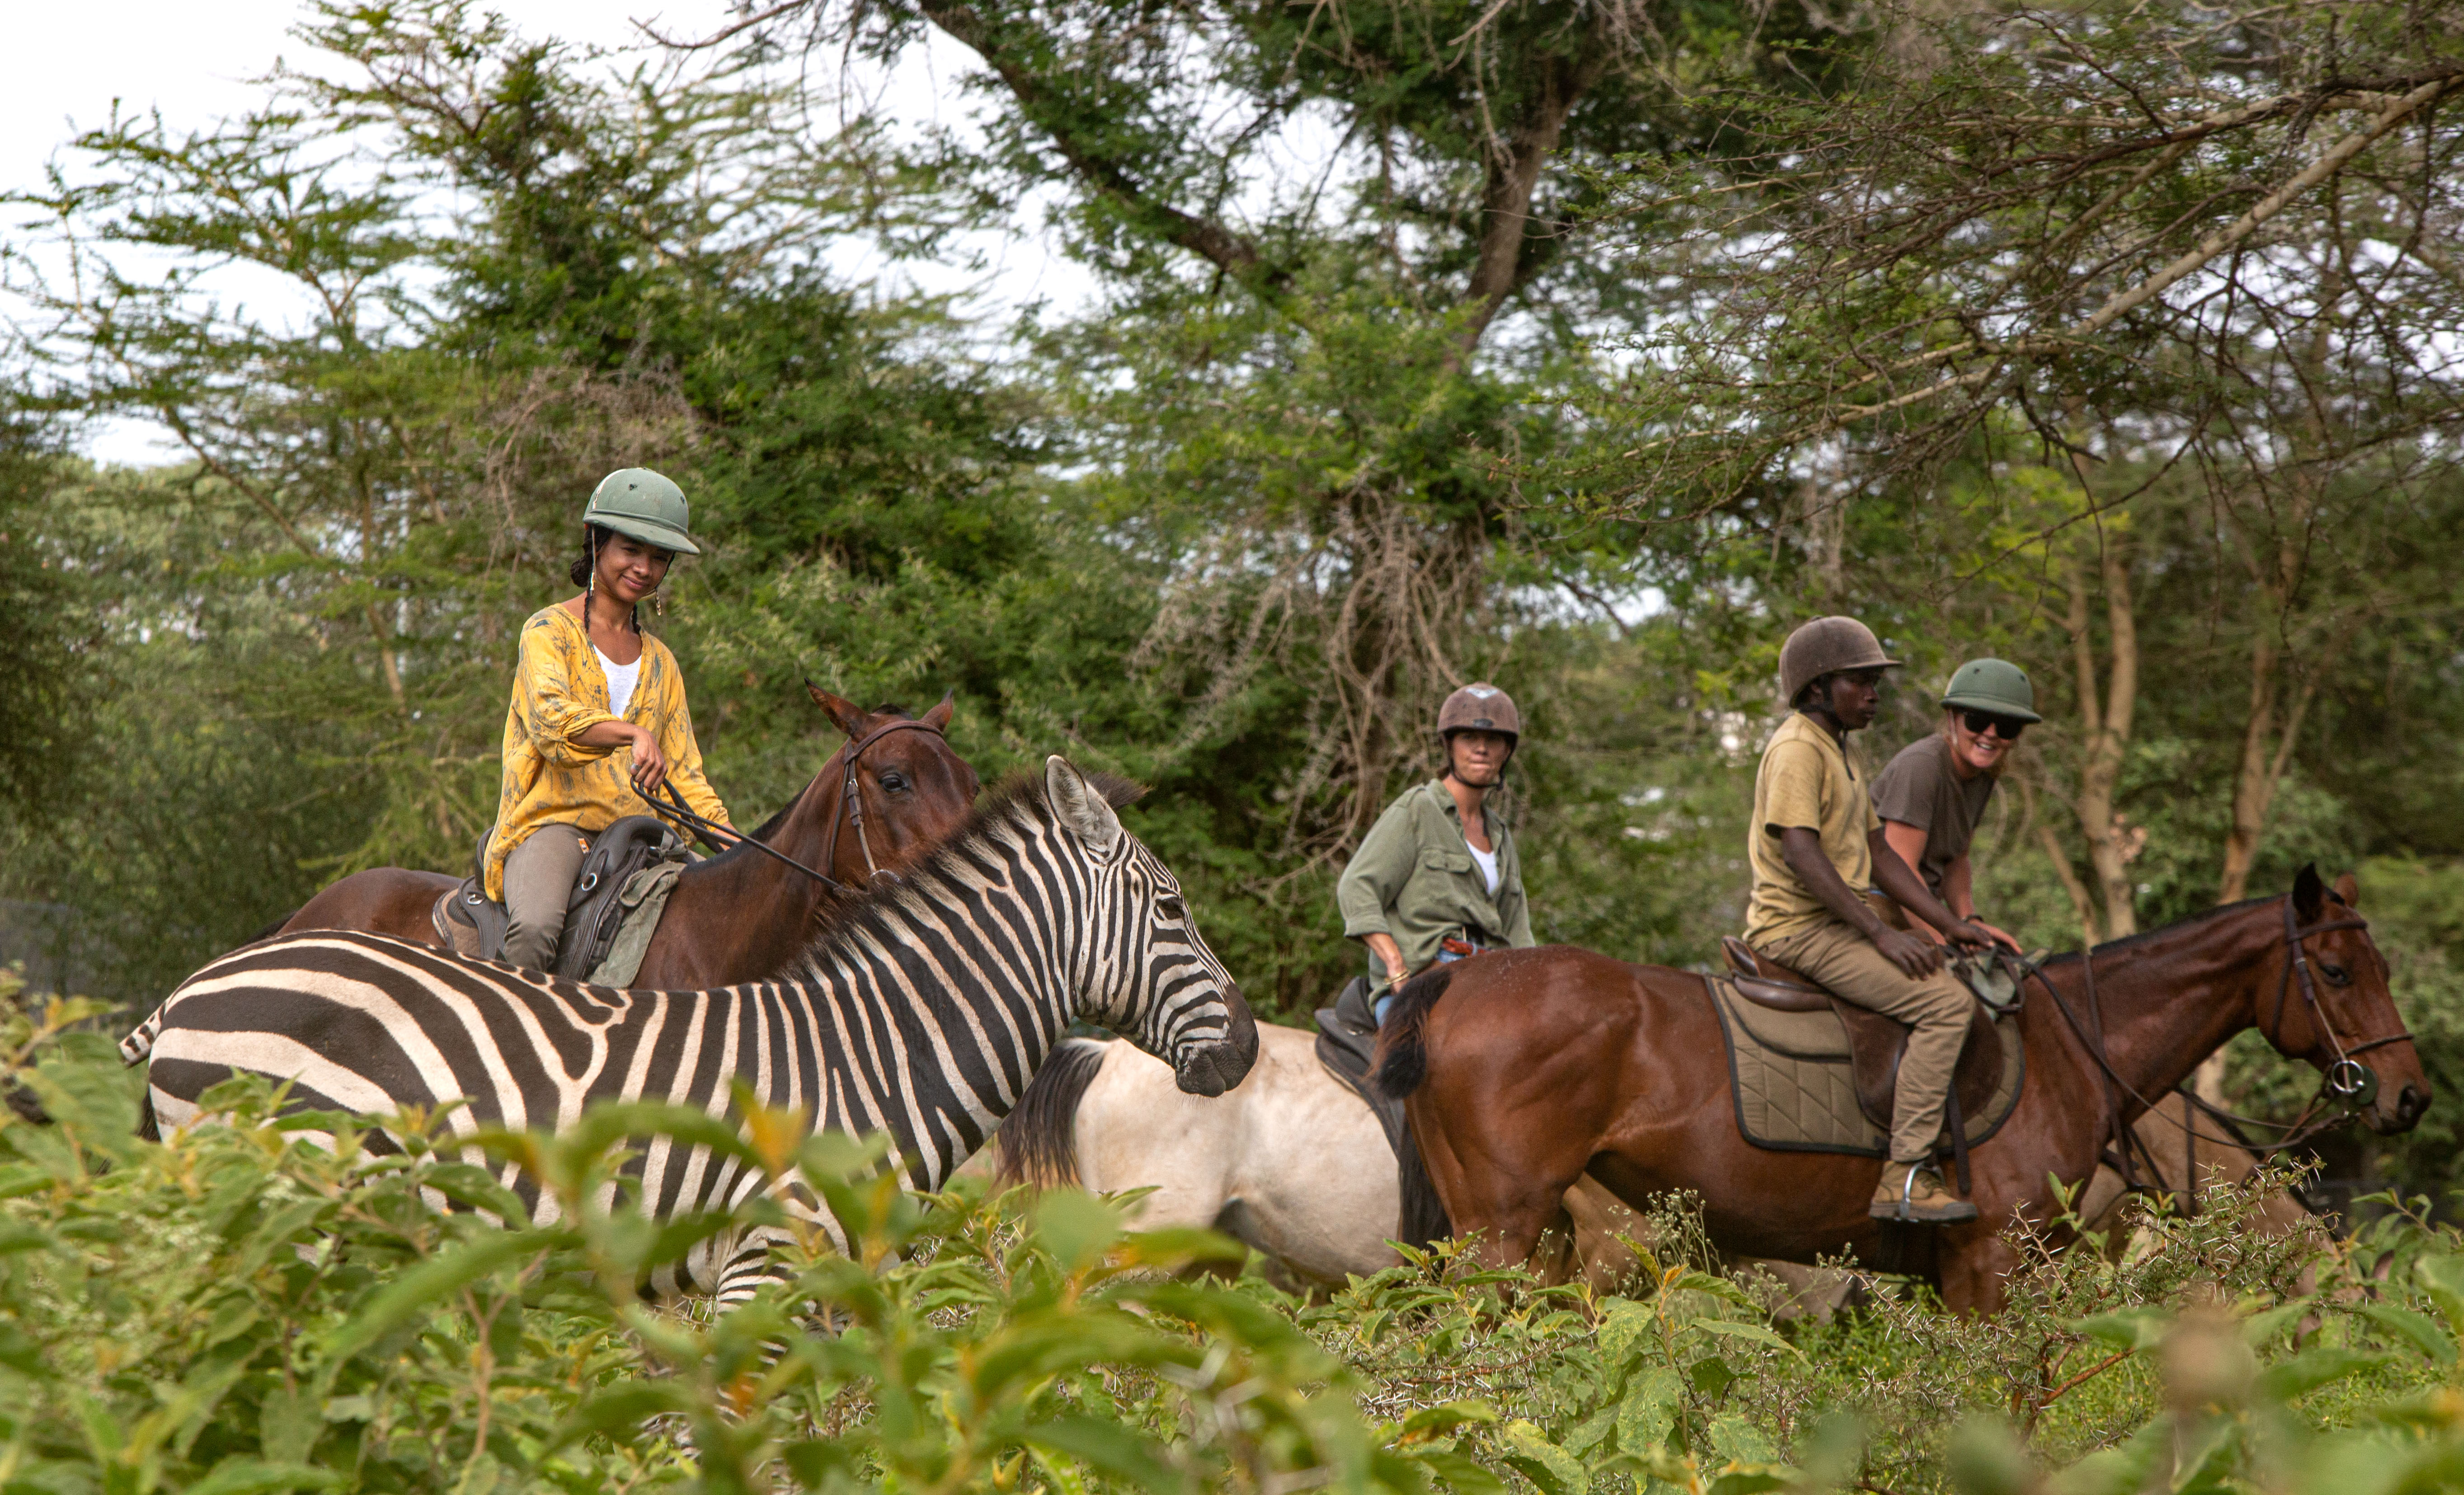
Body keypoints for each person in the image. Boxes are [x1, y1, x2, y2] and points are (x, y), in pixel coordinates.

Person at [1744, 617, 2001, 1224]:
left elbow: (1880, 853)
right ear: (1816, 688)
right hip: (1796, 929)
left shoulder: (1841, 749)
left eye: (1874, 683)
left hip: (1833, 925)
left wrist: (1949, 924)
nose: (1872, 694)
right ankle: (1904, 1175)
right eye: (1859, 682)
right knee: (1946, 1006)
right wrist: (1882, 934)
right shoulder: (1797, 748)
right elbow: (1800, 851)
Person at [484, 468, 733, 971]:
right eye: (631, 550)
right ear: (596, 541)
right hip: (555, 824)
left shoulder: (663, 663)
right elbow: (552, 724)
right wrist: (633, 733)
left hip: (643, 833)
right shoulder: (547, 631)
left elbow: (686, 777)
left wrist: (746, 851)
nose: (644, 568)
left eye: (659, 557)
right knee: (535, 930)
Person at [1338, 683, 1536, 1024]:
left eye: (1493, 740)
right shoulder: (1417, 810)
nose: (1481, 749)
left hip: (1490, 982)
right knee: (1422, 1057)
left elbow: (1519, 933)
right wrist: (1396, 967)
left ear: (1507, 751)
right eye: (1468, 738)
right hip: (1421, 983)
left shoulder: (1500, 835)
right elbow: (1356, 887)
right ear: (1449, 745)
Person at [1872, 659, 2041, 950]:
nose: (1991, 733)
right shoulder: (1922, 766)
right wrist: (1943, 942)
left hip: (1924, 907)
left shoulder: (1984, 775)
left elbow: (1956, 859)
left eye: (2007, 726)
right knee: (1950, 979)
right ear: (1952, 718)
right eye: (1977, 721)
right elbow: (1900, 870)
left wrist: (1970, 921)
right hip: (1879, 903)